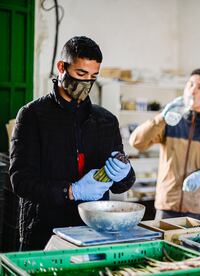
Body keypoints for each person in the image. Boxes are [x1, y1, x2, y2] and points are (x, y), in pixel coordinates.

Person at [9, 36, 135, 250]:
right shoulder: (32, 115)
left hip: (93, 231)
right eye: (80, 74)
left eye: (93, 76)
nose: (86, 83)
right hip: (45, 233)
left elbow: (122, 184)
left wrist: (125, 173)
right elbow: (20, 181)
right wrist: (70, 191)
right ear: (61, 67)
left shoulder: (105, 121)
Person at [129, 69, 200, 223]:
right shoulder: (169, 123)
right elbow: (137, 142)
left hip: (199, 210)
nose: (193, 90)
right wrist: (161, 118)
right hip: (167, 207)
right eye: (190, 84)